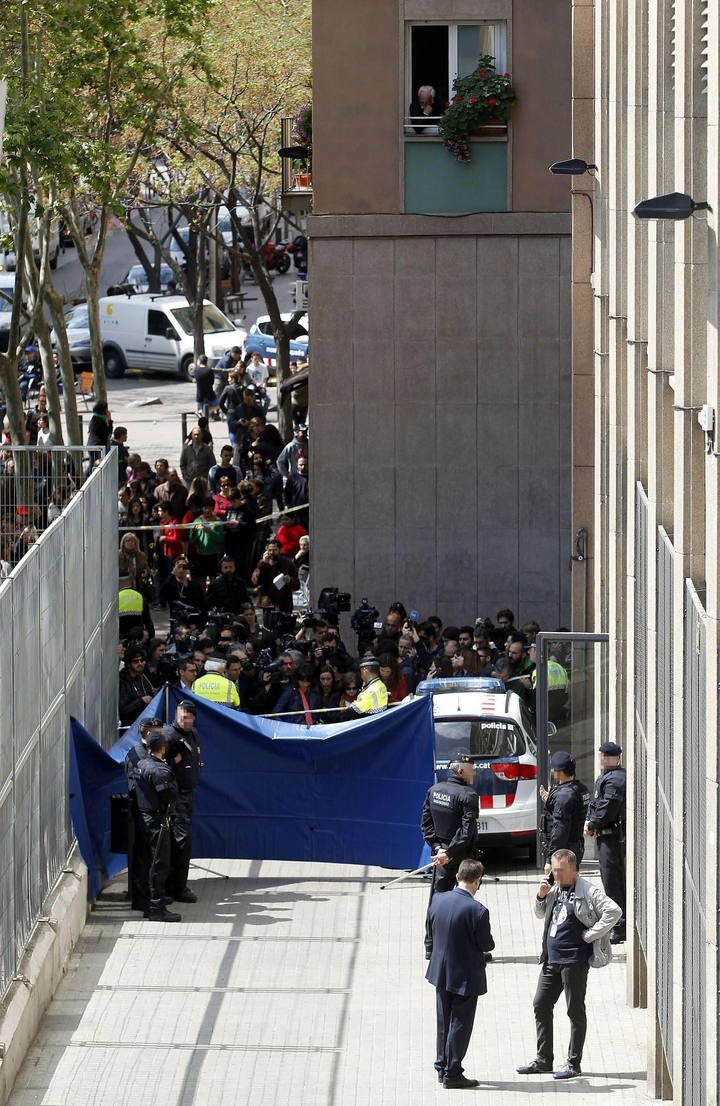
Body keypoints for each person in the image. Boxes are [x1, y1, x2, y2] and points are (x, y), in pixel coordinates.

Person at [517, 848, 621, 1080]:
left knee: (574, 1010)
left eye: (560, 870)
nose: (556, 874)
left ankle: (574, 1063)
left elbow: (614, 911)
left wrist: (590, 934)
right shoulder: (553, 887)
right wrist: (541, 895)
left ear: (574, 868)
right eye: (554, 870)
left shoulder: (588, 891)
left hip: (574, 961)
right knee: (540, 1004)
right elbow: (539, 913)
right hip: (551, 960)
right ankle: (544, 1060)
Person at [426, 858, 494, 1089]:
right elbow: (487, 944)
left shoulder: (437, 899)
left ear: (457, 877)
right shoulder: (478, 910)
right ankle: (453, 1072)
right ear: (477, 881)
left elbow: (431, 931)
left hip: (440, 972)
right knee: (460, 1024)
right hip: (465, 976)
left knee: (443, 1021)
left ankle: (441, 1065)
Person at [421, 756, 479, 959]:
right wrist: (450, 853)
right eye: (472, 769)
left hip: (443, 857)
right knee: (466, 903)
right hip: (461, 858)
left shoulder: (434, 790)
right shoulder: (468, 795)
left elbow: (426, 825)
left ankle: (431, 946)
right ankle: (466, 947)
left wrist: (439, 849)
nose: (474, 773)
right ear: (460, 771)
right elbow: (467, 831)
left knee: (437, 901)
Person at [134, 730, 181, 921]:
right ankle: (156, 908)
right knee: (159, 864)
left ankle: (148, 903)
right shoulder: (160, 771)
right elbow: (170, 795)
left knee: (149, 862)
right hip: (157, 820)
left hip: (144, 817)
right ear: (162, 748)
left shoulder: (140, 764)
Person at [585, 741, 626, 943]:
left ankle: (620, 925)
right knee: (608, 879)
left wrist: (593, 824)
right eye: (600, 755)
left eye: (604, 756)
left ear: (614, 758)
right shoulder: (606, 777)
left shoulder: (616, 780)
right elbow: (596, 804)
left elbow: (607, 807)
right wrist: (591, 822)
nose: (601, 759)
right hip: (605, 835)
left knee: (613, 881)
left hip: (612, 838)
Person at [163, 700, 202, 902]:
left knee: (182, 841)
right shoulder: (170, 736)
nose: (183, 721)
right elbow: (158, 762)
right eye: (181, 717)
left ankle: (177, 884)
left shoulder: (193, 734)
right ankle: (177, 887)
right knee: (181, 840)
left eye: (187, 717)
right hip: (176, 795)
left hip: (187, 792)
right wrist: (172, 762)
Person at [124, 717, 158, 912]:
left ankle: (148, 896)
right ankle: (143, 899)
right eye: (156, 731)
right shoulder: (138, 754)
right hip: (140, 809)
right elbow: (139, 783)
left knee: (148, 856)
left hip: (146, 808)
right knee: (143, 857)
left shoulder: (147, 752)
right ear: (147, 733)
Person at [539, 752, 590, 868]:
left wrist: (550, 859)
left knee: (563, 884)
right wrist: (549, 800)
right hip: (574, 846)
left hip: (564, 852)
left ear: (559, 772)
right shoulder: (580, 788)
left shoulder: (565, 795)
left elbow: (560, 831)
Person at [118, 647, 155, 726]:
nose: (140, 664)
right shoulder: (123, 681)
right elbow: (122, 710)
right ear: (128, 664)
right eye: (135, 661)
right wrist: (141, 701)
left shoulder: (142, 676)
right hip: (130, 726)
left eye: (141, 660)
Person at [193, 354, 218, 419]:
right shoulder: (209, 370)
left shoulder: (196, 370)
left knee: (200, 409)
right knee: (218, 405)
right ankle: (207, 411)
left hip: (200, 394)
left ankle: (201, 412)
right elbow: (212, 382)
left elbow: (195, 380)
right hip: (210, 393)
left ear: (199, 361)